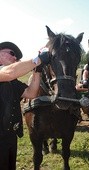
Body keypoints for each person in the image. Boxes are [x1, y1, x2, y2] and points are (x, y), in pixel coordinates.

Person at [0, 41, 49, 170]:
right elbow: (9, 73)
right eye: (11, 53)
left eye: (16, 56)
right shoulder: (7, 74)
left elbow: (31, 92)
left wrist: (37, 70)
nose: (15, 58)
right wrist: (38, 59)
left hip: (10, 136)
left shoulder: (13, 83)